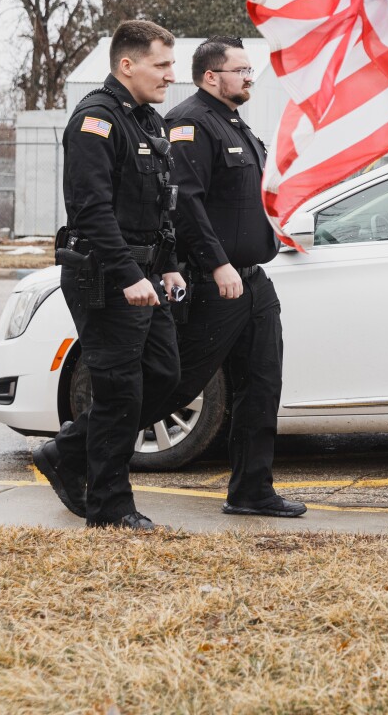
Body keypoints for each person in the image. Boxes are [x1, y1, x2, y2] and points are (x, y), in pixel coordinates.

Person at [33, 20, 187, 531]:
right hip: (104, 276)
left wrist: (165, 265)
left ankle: (67, 451)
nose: (171, 75)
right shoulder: (95, 121)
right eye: (161, 65)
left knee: (164, 376)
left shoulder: (147, 121)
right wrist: (128, 274)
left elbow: (160, 205)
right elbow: (91, 210)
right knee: (120, 390)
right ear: (127, 64)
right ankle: (109, 506)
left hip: (142, 273)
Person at [163, 37, 305, 518]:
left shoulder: (233, 124)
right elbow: (184, 201)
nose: (249, 76)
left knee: (262, 384)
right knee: (177, 384)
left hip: (253, 282)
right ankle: (75, 452)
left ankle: (251, 490)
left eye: (250, 69)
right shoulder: (190, 123)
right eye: (240, 70)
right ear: (210, 76)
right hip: (214, 281)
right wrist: (216, 262)